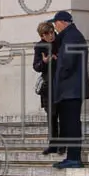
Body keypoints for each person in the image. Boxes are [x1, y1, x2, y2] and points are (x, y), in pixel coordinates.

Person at [48, 11, 89, 170]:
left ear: (63, 22)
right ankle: (72, 157)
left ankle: (74, 158)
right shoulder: (69, 36)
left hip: (71, 89)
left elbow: (68, 63)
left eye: (56, 23)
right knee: (69, 123)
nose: (55, 27)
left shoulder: (72, 37)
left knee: (72, 124)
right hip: (70, 88)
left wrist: (60, 77)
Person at [32, 21, 58, 155]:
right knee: (51, 116)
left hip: (61, 82)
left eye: (52, 32)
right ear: (42, 36)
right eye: (47, 34)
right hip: (48, 85)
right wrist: (44, 61)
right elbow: (36, 66)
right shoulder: (40, 47)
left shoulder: (59, 42)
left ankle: (63, 144)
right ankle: (53, 144)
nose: (51, 35)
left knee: (62, 114)